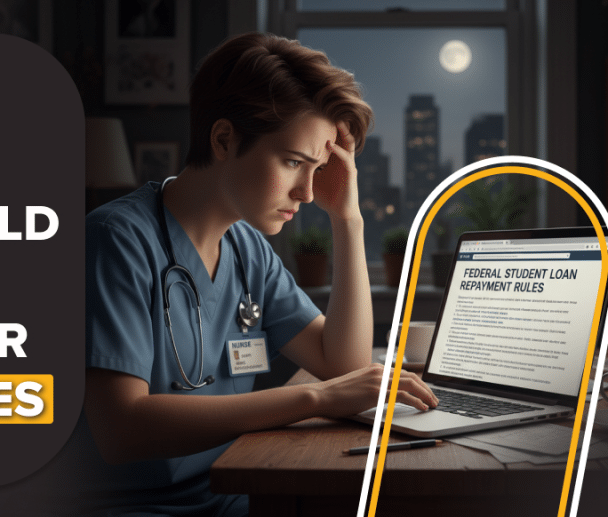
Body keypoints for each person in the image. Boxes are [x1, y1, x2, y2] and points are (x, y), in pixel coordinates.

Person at [80, 33, 439, 516]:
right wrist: (313, 397)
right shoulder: (115, 239)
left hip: (234, 498)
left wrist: (346, 219)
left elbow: (345, 364)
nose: (307, 192)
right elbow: (122, 429)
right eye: (294, 162)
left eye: (318, 167)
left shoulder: (248, 249)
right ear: (224, 139)